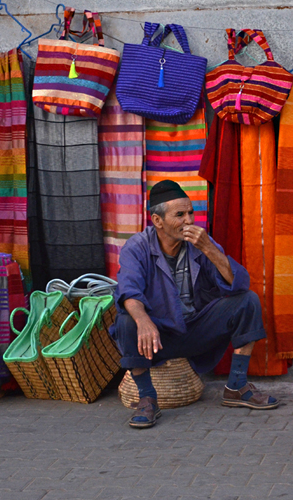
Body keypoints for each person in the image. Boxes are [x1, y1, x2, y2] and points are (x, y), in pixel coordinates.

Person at [113, 179, 279, 428]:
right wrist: (144, 320)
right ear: (158, 221)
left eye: (191, 213)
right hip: (160, 335)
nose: (189, 221)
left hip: (196, 329)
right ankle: (147, 398)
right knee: (127, 320)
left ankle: (236, 386)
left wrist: (209, 248)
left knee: (248, 301)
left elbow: (238, 284)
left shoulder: (201, 244)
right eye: (179, 215)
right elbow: (128, 290)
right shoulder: (137, 247)